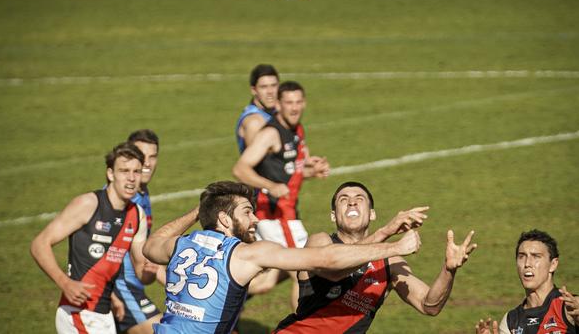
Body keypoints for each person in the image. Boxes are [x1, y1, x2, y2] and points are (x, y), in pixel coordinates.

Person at [142, 180, 422, 334]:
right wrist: (393, 245)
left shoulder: (180, 245)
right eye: (247, 212)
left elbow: (151, 245)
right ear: (225, 220)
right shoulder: (248, 254)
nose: (256, 219)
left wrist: (199, 211)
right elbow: (325, 260)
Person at [274, 181, 478, 333]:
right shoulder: (320, 242)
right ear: (333, 216)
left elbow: (429, 305)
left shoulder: (389, 263)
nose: (352, 202)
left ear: (371, 214)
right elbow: (334, 268)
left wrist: (449, 270)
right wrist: (388, 237)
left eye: (359, 199)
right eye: (343, 200)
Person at [31, 142, 157, 334]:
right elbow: (40, 244)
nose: (131, 178)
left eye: (136, 171)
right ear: (110, 174)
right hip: (78, 313)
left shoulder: (136, 214)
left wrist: (150, 271)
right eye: (124, 171)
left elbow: (141, 271)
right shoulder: (88, 204)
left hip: (103, 314)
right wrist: (65, 283)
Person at [232, 80, 330, 309]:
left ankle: (221, 298)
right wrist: (270, 186)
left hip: (288, 212)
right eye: (288, 103)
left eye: (298, 102)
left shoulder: (296, 130)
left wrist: (311, 170)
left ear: (304, 103)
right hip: (274, 215)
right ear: (278, 104)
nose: (294, 108)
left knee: (267, 279)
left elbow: (288, 169)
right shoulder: (270, 133)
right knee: (304, 268)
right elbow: (240, 168)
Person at [475, 229, 579, 334]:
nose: (527, 263)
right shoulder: (511, 320)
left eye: (536, 256)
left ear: (553, 264)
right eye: (522, 256)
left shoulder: (570, 306)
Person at [110, 130, 163, 334]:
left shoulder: (142, 192)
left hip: (133, 285)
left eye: (153, 156)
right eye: (142, 156)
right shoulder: (123, 200)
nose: (148, 163)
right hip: (121, 287)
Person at [235, 64, 280, 154]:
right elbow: (263, 164)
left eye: (274, 85)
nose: (270, 92)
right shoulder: (254, 122)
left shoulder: (278, 112)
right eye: (264, 87)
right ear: (254, 90)